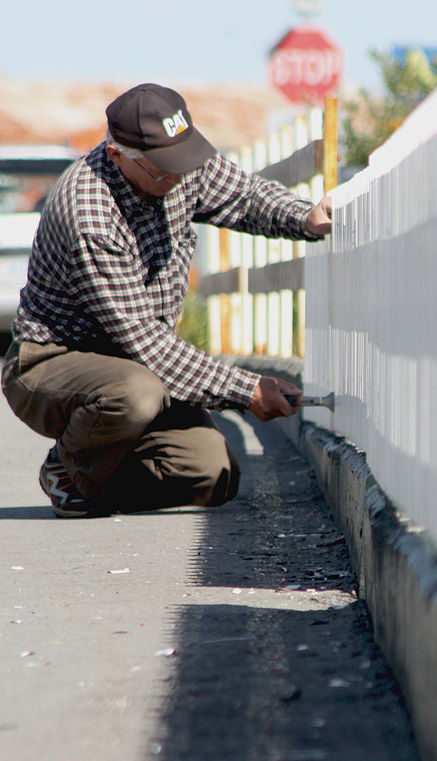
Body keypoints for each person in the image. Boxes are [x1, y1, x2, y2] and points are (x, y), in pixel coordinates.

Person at [1, 83, 332, 518]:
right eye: (165, 169)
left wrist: (304, 217)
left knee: (212, 474)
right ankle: (70, 469)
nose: (180, 176)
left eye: (184, 159)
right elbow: (146, 343)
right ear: (118, 155)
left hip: (137, 366)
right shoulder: (89, 212)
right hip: (53, 363)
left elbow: (246, 196)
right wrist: (247, 389)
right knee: (137, 393)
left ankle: (98, 480)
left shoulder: (176, 160)